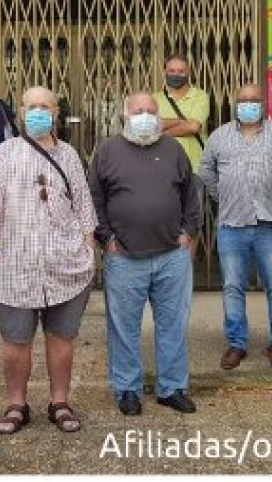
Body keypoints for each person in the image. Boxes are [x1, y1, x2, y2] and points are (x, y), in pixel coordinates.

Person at [0, 86, 98, 435]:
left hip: (65, 264)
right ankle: (17, 403)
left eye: (45, 106)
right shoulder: (6, 152)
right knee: (16, 343)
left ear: (56, 112)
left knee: (61, 339)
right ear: (20, 110)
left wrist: (88, 249)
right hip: (16, 263)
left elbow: (83, 205)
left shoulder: (69, 155)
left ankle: (59, 401)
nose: (38, 112)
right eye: (32, 106)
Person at [89, 92, 202, 416]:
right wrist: (106, 239)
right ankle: (127, 390)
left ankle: (173, 388)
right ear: (124, 115)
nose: (145, 116)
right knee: (124, 328)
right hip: (124, 258)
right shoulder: (107, 151)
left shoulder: (173, 149)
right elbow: (94, 199)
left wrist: (188, 233)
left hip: (171, 256)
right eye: (138, 111)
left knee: (173, 325)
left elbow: (190, 195)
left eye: (151, 111)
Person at [199, 84, 272, 371]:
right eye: (242, 100)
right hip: (231, 224)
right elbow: (206, 171)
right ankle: (236, 344)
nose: (248, 105)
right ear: (234, 103)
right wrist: (225, 197)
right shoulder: (219, 136)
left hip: (269, 223)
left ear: (263, 103)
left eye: (254, 100)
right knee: (233, 286)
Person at [155, 54, 210, 174]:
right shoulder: (154, 99)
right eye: (172, 71)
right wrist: (180, 121)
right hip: (163, 166)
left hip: (194, 166)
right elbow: (151, 127)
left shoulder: (200, 96)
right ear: (164, 71)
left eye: (181, 71)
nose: (176, 75)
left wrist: (161, 132)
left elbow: (193, 127)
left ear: (189, 72)